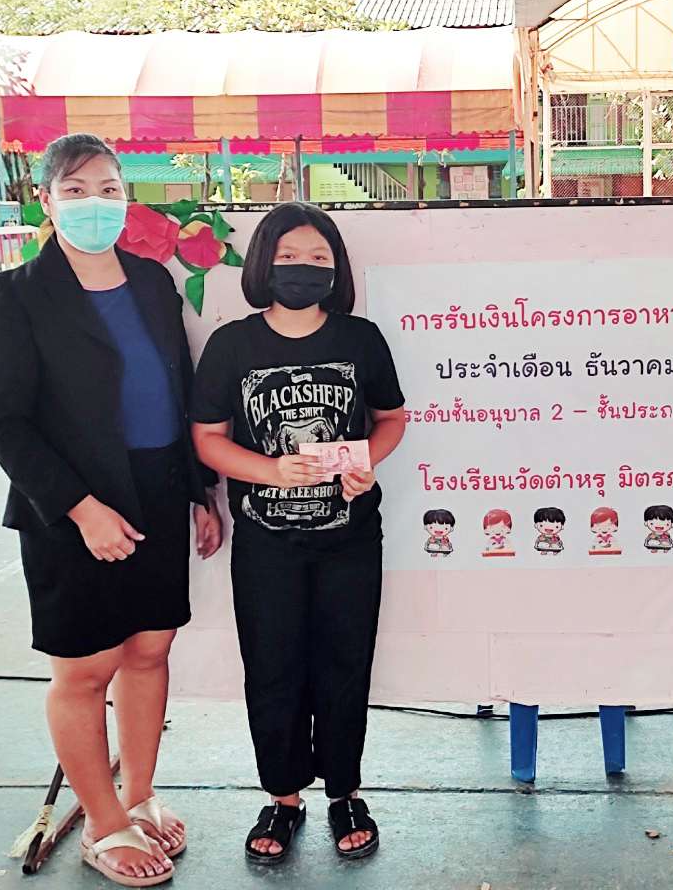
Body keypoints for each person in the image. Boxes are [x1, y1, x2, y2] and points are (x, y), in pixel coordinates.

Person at [0, 133, 223, 888]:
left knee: (149, 651)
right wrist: (82, 511)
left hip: (159, 488)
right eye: (75, 190)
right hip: (70, 506)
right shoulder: (18, 295)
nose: (94, 204)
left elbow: (176, 390)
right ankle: (103, 823)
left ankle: (138, 795)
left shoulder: (151, 281)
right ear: (46, 202)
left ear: (126, 198)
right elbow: (1, 420)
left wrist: (198, 493)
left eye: (109, 189)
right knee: (85, 669)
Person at [190, 201, 406, 865]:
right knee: (273, 668)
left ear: (337, 270)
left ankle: (345, 792)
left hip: (350, 540)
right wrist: (270, 471)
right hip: (266, 544)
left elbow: (392, 418)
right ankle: (283, 798)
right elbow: (207, 438)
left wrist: (365, 465)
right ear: (264, 264)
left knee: (345, 664)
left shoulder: (360, 339)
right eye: (289, 257)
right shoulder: (232, 345)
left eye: (318, 258)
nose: (303, 268)